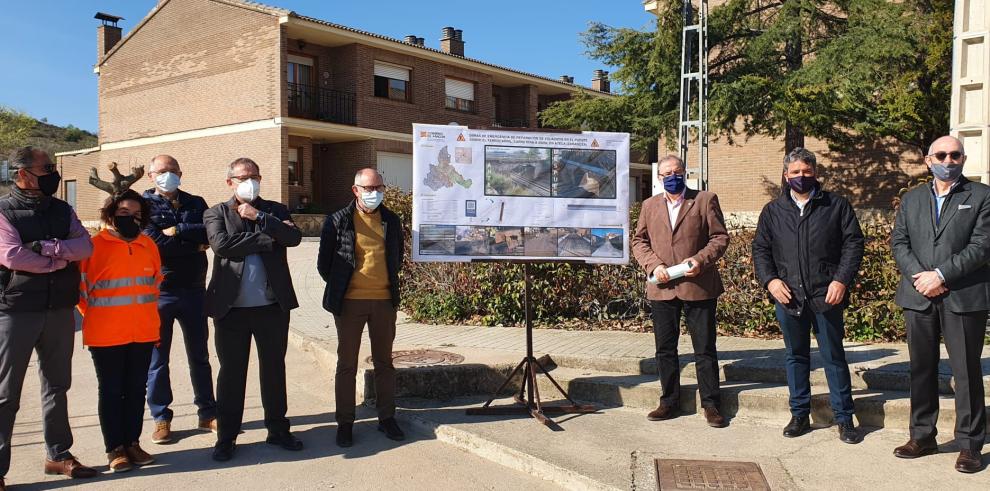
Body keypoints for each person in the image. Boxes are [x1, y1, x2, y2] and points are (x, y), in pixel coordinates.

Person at [752, 148, 864, 444]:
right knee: (796, 357)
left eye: (807, 171)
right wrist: (771, 281)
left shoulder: (836, 206)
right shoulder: (773, 212)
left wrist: (841, 280)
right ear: (786, 175)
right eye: (796, 172)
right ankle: (800, 414)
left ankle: (844, 418)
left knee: (833, 357)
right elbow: (761, 251)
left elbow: (853, 244)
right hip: (788, 297)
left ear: (816, 173)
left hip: (826, 296)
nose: (802, 176)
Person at [891, 136, 989, 473]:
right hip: (918, 295)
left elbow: (981, 246)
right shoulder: (912, 199)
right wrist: (922, 276)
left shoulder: (981, 196)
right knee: (921, 369)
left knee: (965, 372)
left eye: (956, 154)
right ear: (927, 160)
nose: (949, 160)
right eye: (942, 154)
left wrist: (941, 275)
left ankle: (970, 444)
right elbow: (899, 242)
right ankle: (922, 436)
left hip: (963, 297)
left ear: (963, 158)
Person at [0, 147, 97, 489]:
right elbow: (13, 257)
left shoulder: (62, 209)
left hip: (60, 309)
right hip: (16, 310)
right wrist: (60, 258)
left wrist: (49, 250)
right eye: (46, 168)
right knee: (6, 393)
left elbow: (84, 247)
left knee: (57, 386)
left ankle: (58, 454)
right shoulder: (4, 211)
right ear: (23, 173)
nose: (53, 173)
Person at [204, 158, 303, 462]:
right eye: (243, 177)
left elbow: (294, 238)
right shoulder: (215, 212)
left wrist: (261, 217)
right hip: (231, 310)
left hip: (272, 307)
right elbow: (222, 246)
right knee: (232, 375)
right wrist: (267, 237)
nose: (250, 181)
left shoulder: (274, 210)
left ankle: (278, 429)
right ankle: (227, 437)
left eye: (255, 176)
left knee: (274, 370)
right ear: (229, 182)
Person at [631, 154, 730, 427]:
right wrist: (654, 265)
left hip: (698, 286)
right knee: (665, 349)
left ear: (684, 174)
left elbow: (720, 237)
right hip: (663, 287)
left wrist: (699, 260)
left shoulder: (704, 200)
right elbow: (639, 241)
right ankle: (669, 401)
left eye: (677, 172)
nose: (672, 177)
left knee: (705, 349)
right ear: (659, 178)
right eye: (667, 174)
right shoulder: (649, 206)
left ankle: (711, 405)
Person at [318, 168, 405, 447]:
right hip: (349, 303)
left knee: (384, 363)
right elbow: (324, 264)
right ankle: (345, 422)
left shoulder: (391, 219)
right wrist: (344, 287)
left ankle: (386, 418)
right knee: (346, 364)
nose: (374, 193)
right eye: (368, 188)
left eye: (378, 187)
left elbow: (397, 257)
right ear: (355, 190)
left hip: (383, 302)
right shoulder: (338, 220)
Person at [78, 189, 161, 473]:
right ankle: (115, 449)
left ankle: (132, 442)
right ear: (111, 214)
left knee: (137, 389)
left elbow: (154, 286)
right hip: (106, 333)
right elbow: (80, 292)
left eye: (136, 214)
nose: (130, 219)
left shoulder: (149, 245)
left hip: (144, 331)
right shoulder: (93, 247)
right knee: (112, 391)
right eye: (124, 213)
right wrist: (98, 317)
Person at [142, 155, 217, 444]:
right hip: (160, 292)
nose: (167, 175)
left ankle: (207, 412)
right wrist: (193, 245)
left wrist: (179, 231)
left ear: (181, 173)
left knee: (200, 355)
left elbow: (210, 235)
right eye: (161, 171)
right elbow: (153, 243)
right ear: (151, 176)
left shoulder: (196, 202)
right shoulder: (143, 206)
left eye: (172, 170)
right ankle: (161, 418)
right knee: (157, 360)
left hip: (195, 289)